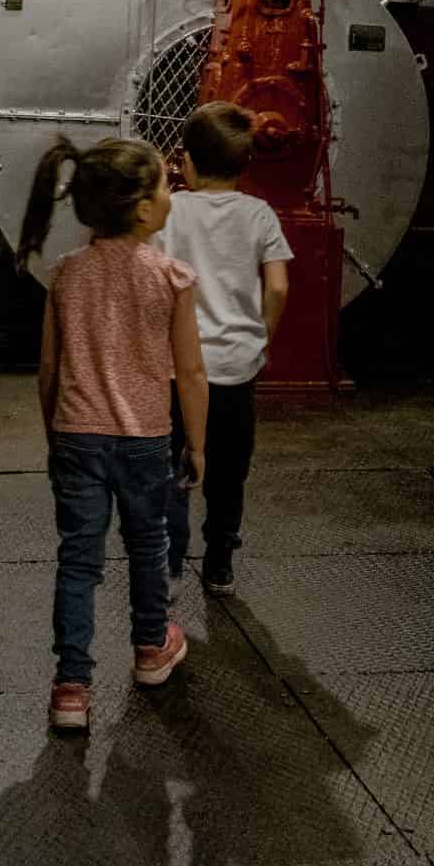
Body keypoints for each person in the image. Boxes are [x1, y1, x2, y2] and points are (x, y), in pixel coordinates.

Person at [19, 136, 209, 733]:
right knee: (148, 545)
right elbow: (191, 373)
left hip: (76, 435)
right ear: (144, 209)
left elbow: (48, 368)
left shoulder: (67, 274)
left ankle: (71, 687)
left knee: (78, 560)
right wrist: (197, 444)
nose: (171, 192)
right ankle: (151, 648)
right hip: (145, 439)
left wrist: (54, 435)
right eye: (164, 185)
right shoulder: (171, 277)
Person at [157, 101, 293, 594]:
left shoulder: (170, 211)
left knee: (173, 466)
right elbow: (277, 287)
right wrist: (262, 337)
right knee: (229, 469)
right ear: (245, 162)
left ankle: (169, 566)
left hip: (177, 367)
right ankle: (219, 564)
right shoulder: (259, 215)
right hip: (236, 365)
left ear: (188, 161)